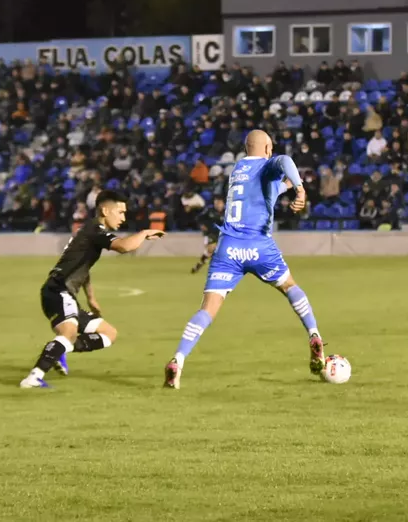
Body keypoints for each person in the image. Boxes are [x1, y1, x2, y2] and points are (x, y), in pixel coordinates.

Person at [164, 130, 321, 390]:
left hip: (228, 248)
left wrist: (286, 187)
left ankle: (178, 360)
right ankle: (314, 334)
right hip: (259, 245)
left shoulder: (237, 170)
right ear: (268, 148)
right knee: (290, 286)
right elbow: (285, 162)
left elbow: (264, 192)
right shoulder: (268, 163)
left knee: (207, 309)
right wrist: (300, 189)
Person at [19, 190, 164, 389]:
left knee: (108, 333)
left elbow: (82, 267)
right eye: (120, 212)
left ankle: (60, 351)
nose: (123, 218)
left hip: (64, 293)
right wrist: (145, 233)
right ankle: (34, 377)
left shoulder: (90, 231)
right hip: (58, 290)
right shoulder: (95, 230)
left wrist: (91, 297)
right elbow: (123, 247)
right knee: (68, 333)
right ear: (105, 210)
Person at [191, 196, 225, 274]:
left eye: (220, 203)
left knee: (211, 252)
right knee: (211, 249)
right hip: (210, 233)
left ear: (223, 204)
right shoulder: (209, 210)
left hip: (222, 234)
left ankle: (200, 263)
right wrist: (202, 225)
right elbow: (199, 218)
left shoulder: (227, 211)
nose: (218, 205)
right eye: (217, 203)